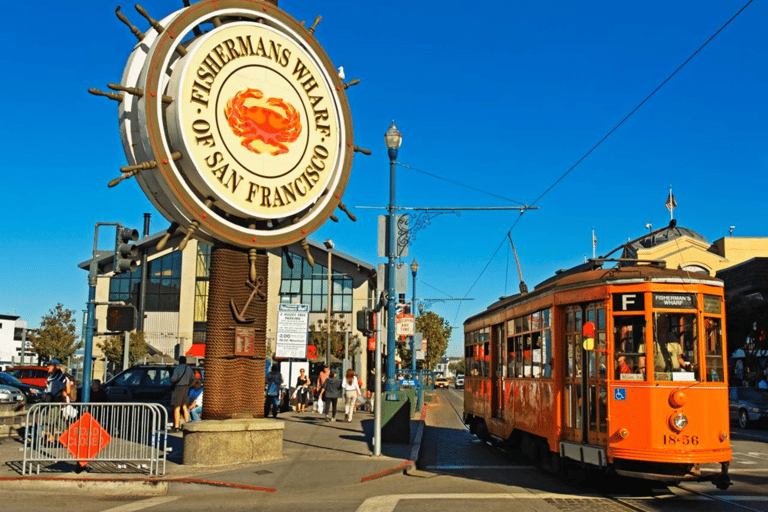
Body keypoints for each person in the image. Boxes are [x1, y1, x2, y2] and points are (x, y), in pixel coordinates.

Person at [170, 356, 194, 431]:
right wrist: (190, 385)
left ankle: (176, 426)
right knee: (184, 406)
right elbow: (193, 378)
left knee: (177, 407)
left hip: (179, 388)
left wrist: (171, 380)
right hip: (186, 388)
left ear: (179, 361)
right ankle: (187, 424)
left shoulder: (178, 368)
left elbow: (173, 378)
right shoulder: (189, 368)